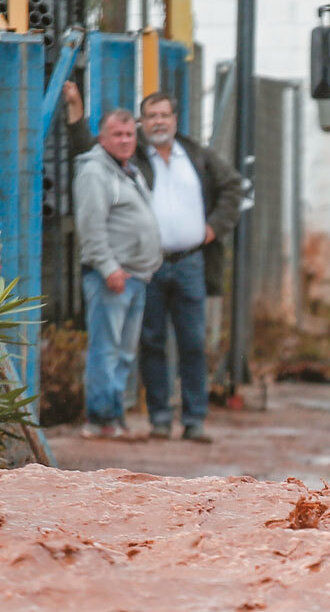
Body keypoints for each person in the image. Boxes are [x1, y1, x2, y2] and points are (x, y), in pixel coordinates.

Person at [64, 83, 245, 443]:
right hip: (148, 267)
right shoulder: (132, 156)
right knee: (151, 342)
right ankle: (160, 418)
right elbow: (91, 151)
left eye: (165, 114)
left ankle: (194, 420)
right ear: (143, 122)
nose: (158, 121)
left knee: (193, 342)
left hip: (191, 261)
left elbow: (234, 188)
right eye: (151, 116)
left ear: (175, 119)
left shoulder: (197, 155)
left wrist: (211, 230)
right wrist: (75, 113)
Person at [74, 109, 163, 439]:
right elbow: (91, 226)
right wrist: (109, 267)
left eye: (129, 135)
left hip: (136, 276)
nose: (125, 141)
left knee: (124, 352)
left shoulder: (127, 170)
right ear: (102, 138)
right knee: (106, 349)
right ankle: (99, 419)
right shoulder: (95, 172)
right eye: (118, 135)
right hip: (112, 277)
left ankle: (115, 416)